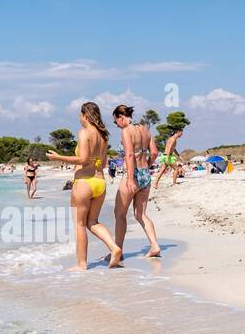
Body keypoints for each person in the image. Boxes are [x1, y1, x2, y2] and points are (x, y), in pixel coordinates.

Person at [47, 102, 122, 270]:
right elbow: (102, 163)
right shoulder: (104, 136)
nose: (80, 119)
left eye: (80, 115)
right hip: (99, 183)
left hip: (84, 183)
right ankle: (114, 247)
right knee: (93, 222)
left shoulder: (84, 132)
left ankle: (81, 264)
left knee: (80, 224)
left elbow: (82, 159)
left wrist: (59, 157)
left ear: (85, 116)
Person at [110, 105, 162, 259]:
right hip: (145, 173)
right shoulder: (145, 130)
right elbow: (154, 152)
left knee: (119, 214)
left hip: (132, 175)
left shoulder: (126, 131)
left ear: (121, 117)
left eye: (116, 122)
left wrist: (131, 177)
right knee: (141, 214)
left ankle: (117, 251)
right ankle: (154, 245)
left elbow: (130, 155)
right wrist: (146, 165)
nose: (117, 125)